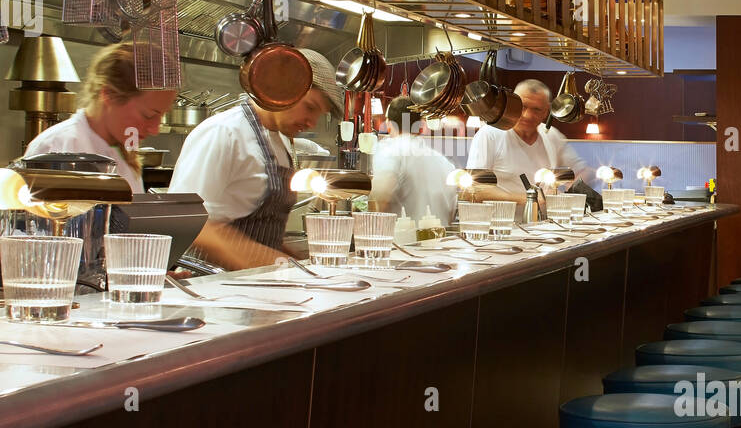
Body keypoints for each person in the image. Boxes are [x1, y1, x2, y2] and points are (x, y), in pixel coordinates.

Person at [169, 48, 341, 270]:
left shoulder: (280, 142)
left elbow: (266, 237)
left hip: (257, 286)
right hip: (213, 288)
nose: (311, 122)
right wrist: (273, 265)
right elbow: (188, 224)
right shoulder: (223, 132)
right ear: (284, 87)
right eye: (310, 108)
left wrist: (296, 266)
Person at [23, 44, 176, 193]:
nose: (155, 130)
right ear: (109, 94)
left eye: (161, 116)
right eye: (148, 115)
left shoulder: (124, 154)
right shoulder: (59, 147)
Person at [465, 77, 589, 202]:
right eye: (523, 106)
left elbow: (581, 172)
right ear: (513, 104)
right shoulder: (490, 134)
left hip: (545, 220)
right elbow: (474, 189)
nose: (528, 115)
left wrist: (568, 194)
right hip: (503, 219)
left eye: (537, 109)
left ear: (547, 111)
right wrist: (528, 199)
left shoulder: (552, 136)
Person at [369, 97, 457, 225]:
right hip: (439, 242)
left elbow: (380, 196)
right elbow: (451, 212)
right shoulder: (444, 163)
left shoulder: (391, 150)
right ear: (420, 126)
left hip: (399, 243)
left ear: (389, 125)